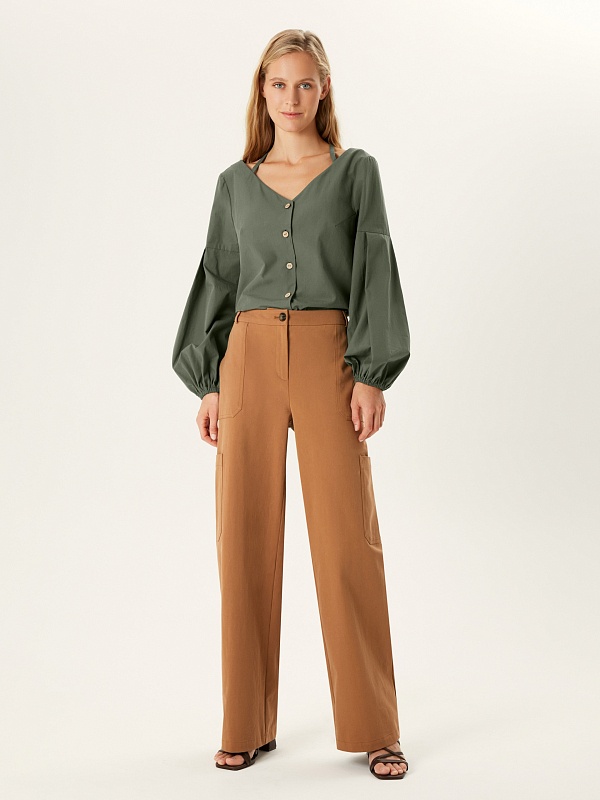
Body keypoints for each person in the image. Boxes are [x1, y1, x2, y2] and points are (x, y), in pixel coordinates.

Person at [172, 29, 411, 780]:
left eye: (305, 83)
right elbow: (218, 279)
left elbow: (374, 264)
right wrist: (209, 382)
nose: (292, 97)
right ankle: (245, 724)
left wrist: (371, 372)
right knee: (243, 538)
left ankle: (376, 727)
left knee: (347, 539)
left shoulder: (355, 172)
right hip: (246, 358)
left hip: (329, 354)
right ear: (263, 91)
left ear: (324, 89)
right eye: (279, 84)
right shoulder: (234, 183)